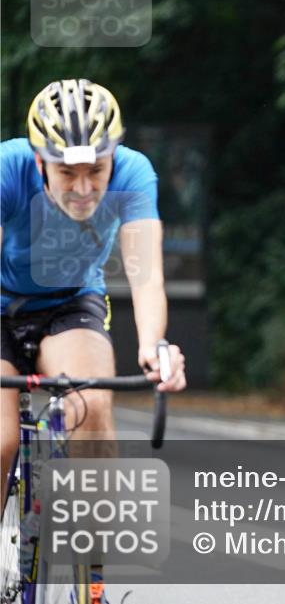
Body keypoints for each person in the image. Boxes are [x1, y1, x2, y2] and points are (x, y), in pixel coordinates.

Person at [1, 79, 187, 604]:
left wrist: (156, 347)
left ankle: (90, 577)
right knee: (1, 439)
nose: (83, 188)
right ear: (40, 161)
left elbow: (146, 274)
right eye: (66, 172)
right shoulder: (7, 168)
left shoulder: (134, 173)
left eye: (95, 171)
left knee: (94, 405)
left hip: (68, 304)